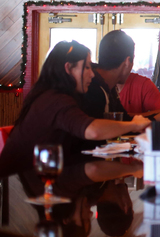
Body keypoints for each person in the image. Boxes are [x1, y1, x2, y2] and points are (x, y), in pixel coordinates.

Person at [0, 41, 150, 175]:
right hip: (18, 190)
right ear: (68, 68)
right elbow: (93, 131)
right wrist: (134, 124)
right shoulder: (54, 100)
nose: (92, 74)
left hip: (37, 178)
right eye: (86, 67)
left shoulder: (57, 96)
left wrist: (132, 169)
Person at [84, 31, 160, 122]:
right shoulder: (92, 87)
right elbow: (107, 129)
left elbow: (125, 120)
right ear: (127, 61)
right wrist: (158, 118)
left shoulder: (108, 86)